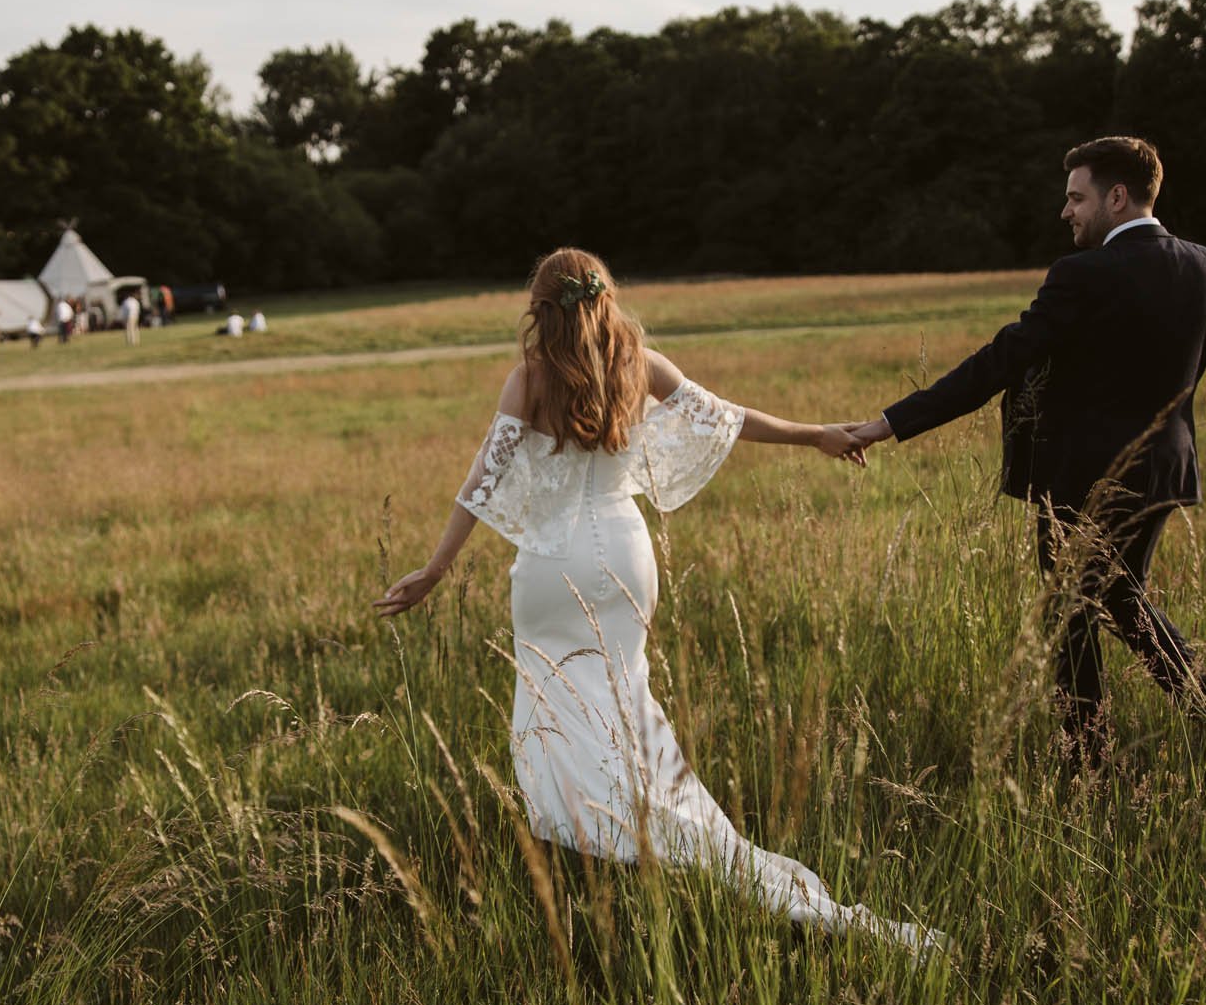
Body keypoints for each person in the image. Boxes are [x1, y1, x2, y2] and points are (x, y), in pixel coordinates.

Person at [376, 248, 942, 955]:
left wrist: (435, 568)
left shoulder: (529, 380)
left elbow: (481, 480)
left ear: (541, 310)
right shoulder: (639, 366)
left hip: (553, 571)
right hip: (623, 555)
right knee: (626, 704)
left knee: (556, 713)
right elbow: (731, 418)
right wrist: (817, 435)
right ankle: (657, 828)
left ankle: (609, 839)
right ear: (606, 300)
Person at [842, 137, 1206, 766]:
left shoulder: (1080, 275)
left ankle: (1103, 755)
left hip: (1079, 481)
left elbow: (999, 362)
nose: (1067, 212)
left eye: (1076, 197)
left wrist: (888, 423)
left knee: (1075, 612)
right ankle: (1198, 723)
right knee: (1114, 599)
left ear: (1117, 197)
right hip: (1165, 473)